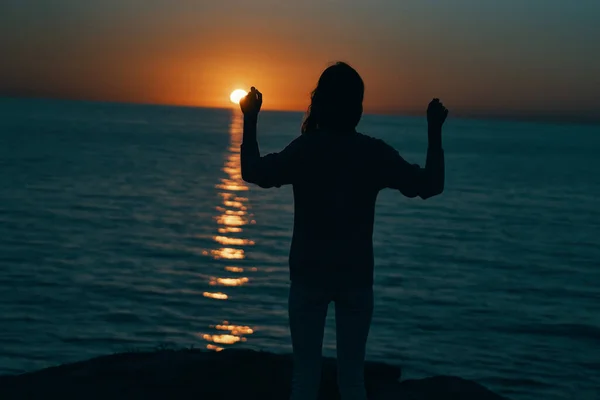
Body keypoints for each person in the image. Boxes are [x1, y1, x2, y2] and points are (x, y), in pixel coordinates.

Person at [239, 62, 447, 400]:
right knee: (352, 382)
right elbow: (431, 184)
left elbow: (253, 171)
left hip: (308, 276)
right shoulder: (372, 153)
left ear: (319, 103)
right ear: (358, 108)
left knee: (304, 382)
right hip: (356, 279)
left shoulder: (306, 149)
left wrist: (250, 118)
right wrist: (434, 130)